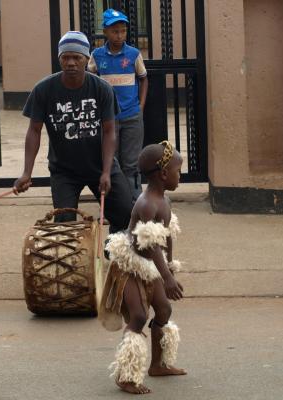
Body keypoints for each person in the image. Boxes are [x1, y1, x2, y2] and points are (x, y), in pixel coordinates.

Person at [13, 31, 132, 233]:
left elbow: (110, 131)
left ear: (86, 59)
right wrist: (26, 172)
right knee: (64, 224)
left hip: (99, 166)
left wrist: (106, 171)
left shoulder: (102, 89)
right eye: (65, 57)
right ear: (59, 59)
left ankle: (113, 250)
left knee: (125, 213)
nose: (71, 63)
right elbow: (34, 131)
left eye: (76, 57)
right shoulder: (43, 90)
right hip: (64, 171)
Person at [98, 140, 186, 395]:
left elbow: (165, 237)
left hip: (151, 265)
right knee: (138, 316)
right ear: (163, 174)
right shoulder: (147, 204)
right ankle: (126, 375)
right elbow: (149, 246)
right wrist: (167, 277)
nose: (180, 176)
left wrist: (169, 266)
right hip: (130, 266)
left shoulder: (163, 201)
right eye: (178, 171)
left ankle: (158, 365)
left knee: (164, 310)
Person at [88, 8, 148, 204]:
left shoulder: (133, 54)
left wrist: (141, 105)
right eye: (115, 31)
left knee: (131, 164)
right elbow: (90, 80)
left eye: (123, 31)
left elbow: (144, 79)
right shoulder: (97, 56)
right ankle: (113, 205)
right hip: (108, 120)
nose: (119, 35)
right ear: (105, 31)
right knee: (110, 163)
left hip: (131, 116)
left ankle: (135, 204)